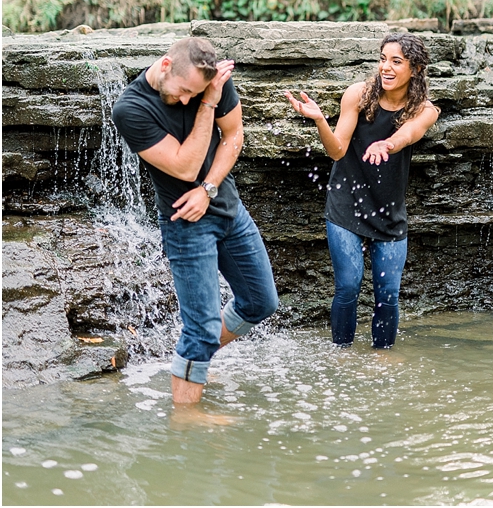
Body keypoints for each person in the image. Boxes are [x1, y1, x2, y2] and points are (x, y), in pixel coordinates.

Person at [112, 37, 278, 406]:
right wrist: (207, 102)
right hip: (185, 222)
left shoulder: (211, 79)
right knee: (200, 330)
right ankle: (186, 420)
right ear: (166, 65)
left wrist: (210, 187)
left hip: (225, 206)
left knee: (260, 302)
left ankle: (193, 357)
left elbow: (234, 135)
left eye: (197, 92)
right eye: (185, 91)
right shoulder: (131, 108)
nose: (187, 99)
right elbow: (185, 165)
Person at [285, 32, 439, 348]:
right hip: (346, 202)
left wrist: (388, 143)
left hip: (389, 210)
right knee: (348, 285)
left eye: (397, 61)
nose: (387, 67)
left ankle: (382, 357)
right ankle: (342, 353)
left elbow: (409, 133)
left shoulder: (424, 109)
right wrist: (319, 122)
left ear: (416, 69)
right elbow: (337, 151)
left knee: (388, 293)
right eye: (383, 59)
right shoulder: (358, 94)